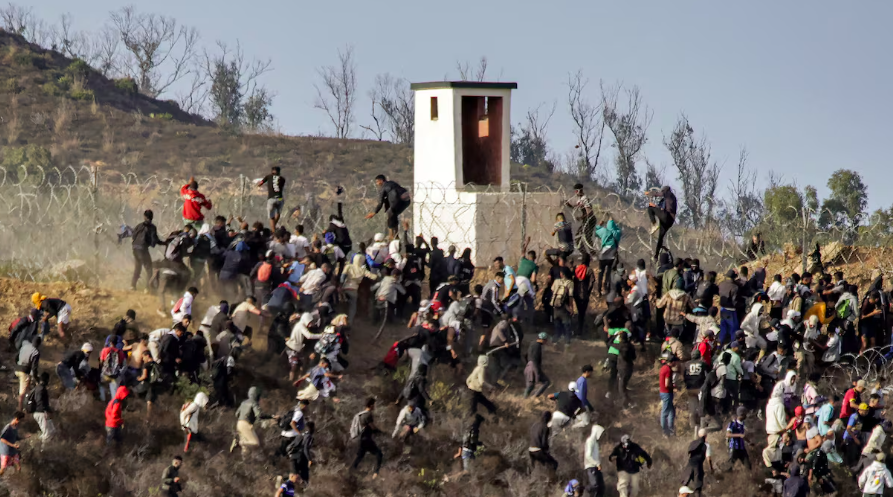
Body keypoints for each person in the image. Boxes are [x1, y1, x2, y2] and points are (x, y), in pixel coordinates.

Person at [231, 386, 276, 454]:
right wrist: (271, 416)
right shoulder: (253, 403)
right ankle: (238, 443)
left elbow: (236, 414)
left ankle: (246, 462)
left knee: (245, 450)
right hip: (246, 424)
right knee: (255, 443)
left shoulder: (243, 402)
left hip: (239, 423)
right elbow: (259, 415)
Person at [365, 174, 411, 239]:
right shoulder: (392, 183)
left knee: (390, 213)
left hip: (398, 199)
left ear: (381, 180)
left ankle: (391, 235)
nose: (377, 183)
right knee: (393, 214)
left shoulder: (383, 188)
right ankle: (396, 234)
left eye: (377, 181)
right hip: (406, 200)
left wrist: (374, 212)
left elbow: (380, 203)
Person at [351, 397, 383, 479]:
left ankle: (350, 472)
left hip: (361, 439)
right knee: (379, 454)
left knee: (360, 457)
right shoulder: (368, 415)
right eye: (374, 404)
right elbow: (372, 427)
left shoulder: (361, 414)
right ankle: (376, 473)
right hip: (366, 439)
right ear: (371, 405)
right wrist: (381, 433)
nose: (375, 406)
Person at [132, 209, 161, 290]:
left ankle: (132, 286)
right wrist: (162, 243)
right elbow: (154, 240)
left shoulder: (138, 226)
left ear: (144, 216)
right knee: (149, 268)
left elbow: (133, 236)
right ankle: (148, 288)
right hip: (142, 249)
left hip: (135, 249)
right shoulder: (152, 227)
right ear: (152, 217)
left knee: (138, 267)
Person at [646, 185, 677, 260]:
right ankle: (656, 256)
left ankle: (654, 224)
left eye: (663, 191)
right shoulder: (671, 198)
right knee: (660, 237)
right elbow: (661, 209)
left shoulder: (668, 194)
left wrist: (650, 193)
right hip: (670, 221)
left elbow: (659, 194)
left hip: (667, 216)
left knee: (650, 208)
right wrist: (656, 207)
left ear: (665, 191)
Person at [594, 216, 621, 296]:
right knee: (608, 273)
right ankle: (607, 288)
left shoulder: (604, 231)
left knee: (601, 273)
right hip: (612, 257)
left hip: (603, 257)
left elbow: (597, 232)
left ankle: (599, 290)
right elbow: (617, 229)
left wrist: (600, 224)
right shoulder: (617, 233)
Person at [681, 428, 712, 497]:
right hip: (698, 467)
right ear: (706, 435)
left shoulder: (693, 443)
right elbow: (708, 458)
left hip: (689, 465)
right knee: (697, 488)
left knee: (684, 485)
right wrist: (711, 468)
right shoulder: (706, 445)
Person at [15, 335, 40, 411]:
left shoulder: (25, 346)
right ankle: (19, 409)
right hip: (24, 372)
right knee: (22, 392)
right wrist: (37, 379)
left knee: (27, 387)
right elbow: (34, 368)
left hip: (17, 369)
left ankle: (30, 403)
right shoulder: (35, 352)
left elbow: (16, 357)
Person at [258, 166, 286, 231]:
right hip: (280, 199)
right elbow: (280, 186)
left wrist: (258, 185)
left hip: (271, 199)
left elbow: (260, 183)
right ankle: (273, 226)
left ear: (272, 171)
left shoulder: (268, 176)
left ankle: (273, 231)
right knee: (278, 213)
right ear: (279, 172)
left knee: (271, 216)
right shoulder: (282, 179)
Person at [523, 332, 551, 398]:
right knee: (546, 382)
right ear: (542, 339)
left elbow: (526, 355)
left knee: (530, 385)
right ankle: (534, 397)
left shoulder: (532, 343)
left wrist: (528, 364)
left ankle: (525, 398)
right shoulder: (537, 346)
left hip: (529, 366)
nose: (546, 342)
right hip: (533, 366)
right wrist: (537, 372)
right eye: (546, 340)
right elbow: (534, 359)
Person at [29, 372, 55, 441]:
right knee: (47, 433)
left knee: (52, 431)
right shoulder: (41, 389)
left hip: (38, 412)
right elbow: (40, 401)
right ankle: (41, 449)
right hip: (41, 413)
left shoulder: (37, 388)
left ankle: (38, 442)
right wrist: (46, 411)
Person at [0, 412, 25, 476]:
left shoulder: (15, 427)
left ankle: (17, 481)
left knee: (18, 467)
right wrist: (13, 445)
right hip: (5, 451)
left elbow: (15, 438)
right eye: (21, 421)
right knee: (3, 469)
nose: (21, 422)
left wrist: (24, 437)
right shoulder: (8, 427)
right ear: (17, 419)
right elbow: (1, 439)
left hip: (13, 451)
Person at [584, 424, 606, 497]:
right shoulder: (590, 441)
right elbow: (588, 455)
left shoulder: (596, 442)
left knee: (601, 487)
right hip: (591, 466)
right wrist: (597, 463)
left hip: (596, 467)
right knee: (594, 486)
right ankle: (583, 489)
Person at [659, 351, 677, 437]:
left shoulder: (663, 367)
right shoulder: (668, 370)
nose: (676, 363)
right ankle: (665, 431)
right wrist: (674, 387)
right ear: (672, 362)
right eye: (675, 362)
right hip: (666, 393)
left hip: (663, 392)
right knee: (665, 412)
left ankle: (670, 429)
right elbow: (667, 384)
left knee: (671, 411)